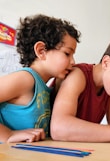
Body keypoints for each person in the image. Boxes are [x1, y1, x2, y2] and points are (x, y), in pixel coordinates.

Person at [0, 14, 81, 143]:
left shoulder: (44, 88)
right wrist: (8, 135)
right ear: (41, 51)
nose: (73, 61)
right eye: (67, 53)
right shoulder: (25, 79)